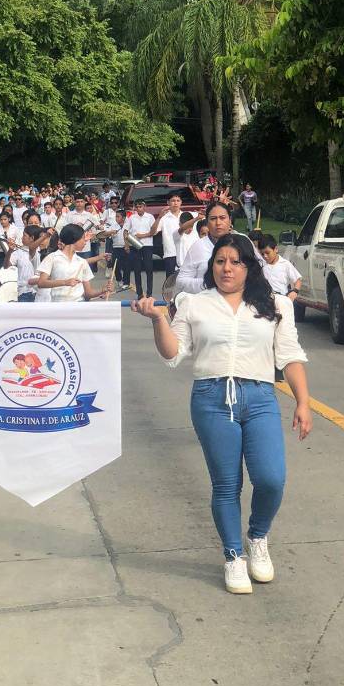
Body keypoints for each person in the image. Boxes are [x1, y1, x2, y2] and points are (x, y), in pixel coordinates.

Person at [134, 234, 311, 594]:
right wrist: (157, 320)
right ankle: (233, 556)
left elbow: (290, 355)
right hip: (212, 399)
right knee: (226, 484)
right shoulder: (194, 304)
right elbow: (173, 354)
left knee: (271, 478)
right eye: (220, 261)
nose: (227, 268)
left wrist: (303, 402)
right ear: (211, 265)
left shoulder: (276, 304)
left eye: (235, 262)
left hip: (260, 397)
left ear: (249, 266)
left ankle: (257, 537)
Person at [176, 202, 263, 295]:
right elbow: (180, 281)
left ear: (230, 220)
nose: (218, 223)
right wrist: (209, 283)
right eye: (213, 219)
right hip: (207, 304)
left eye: (222, 218)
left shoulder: (243, 240)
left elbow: (260, 268)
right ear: (207, 222)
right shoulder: (198, 247)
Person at [36, 224, 114, 301]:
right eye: (83, 238)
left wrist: (103, 290)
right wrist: (65, 282)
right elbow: (41, 283)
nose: (85, 242)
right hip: (58, 307)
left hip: (78, 306)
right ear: (74, 239)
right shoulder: (52, 258)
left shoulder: (82, 262)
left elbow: (88, 294)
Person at [151, 194, 194, 276]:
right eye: (173, 201)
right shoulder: (164, 218)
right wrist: (159, 217)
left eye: (178, 201)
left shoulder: (186, 216)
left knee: (186, 279)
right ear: (168, 203)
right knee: (171, 282)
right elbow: (153, 232)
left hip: (185, 253)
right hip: (170, 253)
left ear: (181, 202)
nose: (175, 203)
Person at [9, 225, 52, 302]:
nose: (42, 240)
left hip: (43, 294)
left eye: (47, 238)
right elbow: (32, 248)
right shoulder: (33, 252)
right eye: (41, 237)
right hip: (25, 291)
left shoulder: (51, 255)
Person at [258, 235, 302, 300]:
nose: (265, 256)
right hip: (266, 300)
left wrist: (295, 291)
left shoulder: (285, 264)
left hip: (282, 299)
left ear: (275, 249)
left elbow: (298, 280)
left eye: (267, 253)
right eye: (262, 254)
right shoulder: (262, 265)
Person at [128, 200, 155, 299]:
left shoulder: (150, 217)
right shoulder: (131, 218)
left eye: (141, 206)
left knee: (149, 268)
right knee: (137, 269)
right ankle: (139, 293)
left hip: (147, 244)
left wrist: (142, 235)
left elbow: (153, 232)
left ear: (144, 207)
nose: (139, 209)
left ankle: (149, 293)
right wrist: (128, 244)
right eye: (137, 207)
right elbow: (127, 231)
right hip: (135, 244)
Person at [107, 209, 131, 291]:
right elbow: (105, 233)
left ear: (123, 218)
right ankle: (119, 279)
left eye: (118, 216)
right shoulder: (113, 225)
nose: (116, 218)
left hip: (126, 247)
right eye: (115, 216)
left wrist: (127, 246)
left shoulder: (128, 225)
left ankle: (126, 283)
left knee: (127, 266)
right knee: (115, 265)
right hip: (116, 247)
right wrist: (110, 232)